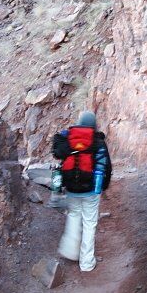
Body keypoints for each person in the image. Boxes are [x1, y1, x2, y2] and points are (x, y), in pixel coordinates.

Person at [52, 110, 112, 272]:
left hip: (72, 188)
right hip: (91, 191)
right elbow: (106, 166)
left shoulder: (69, 138)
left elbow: (57, 153)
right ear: (93, 124)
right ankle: (86, 263)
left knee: (73, 216)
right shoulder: (97, 141)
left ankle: (70, 251)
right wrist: (103, 187)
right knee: (89, 224)